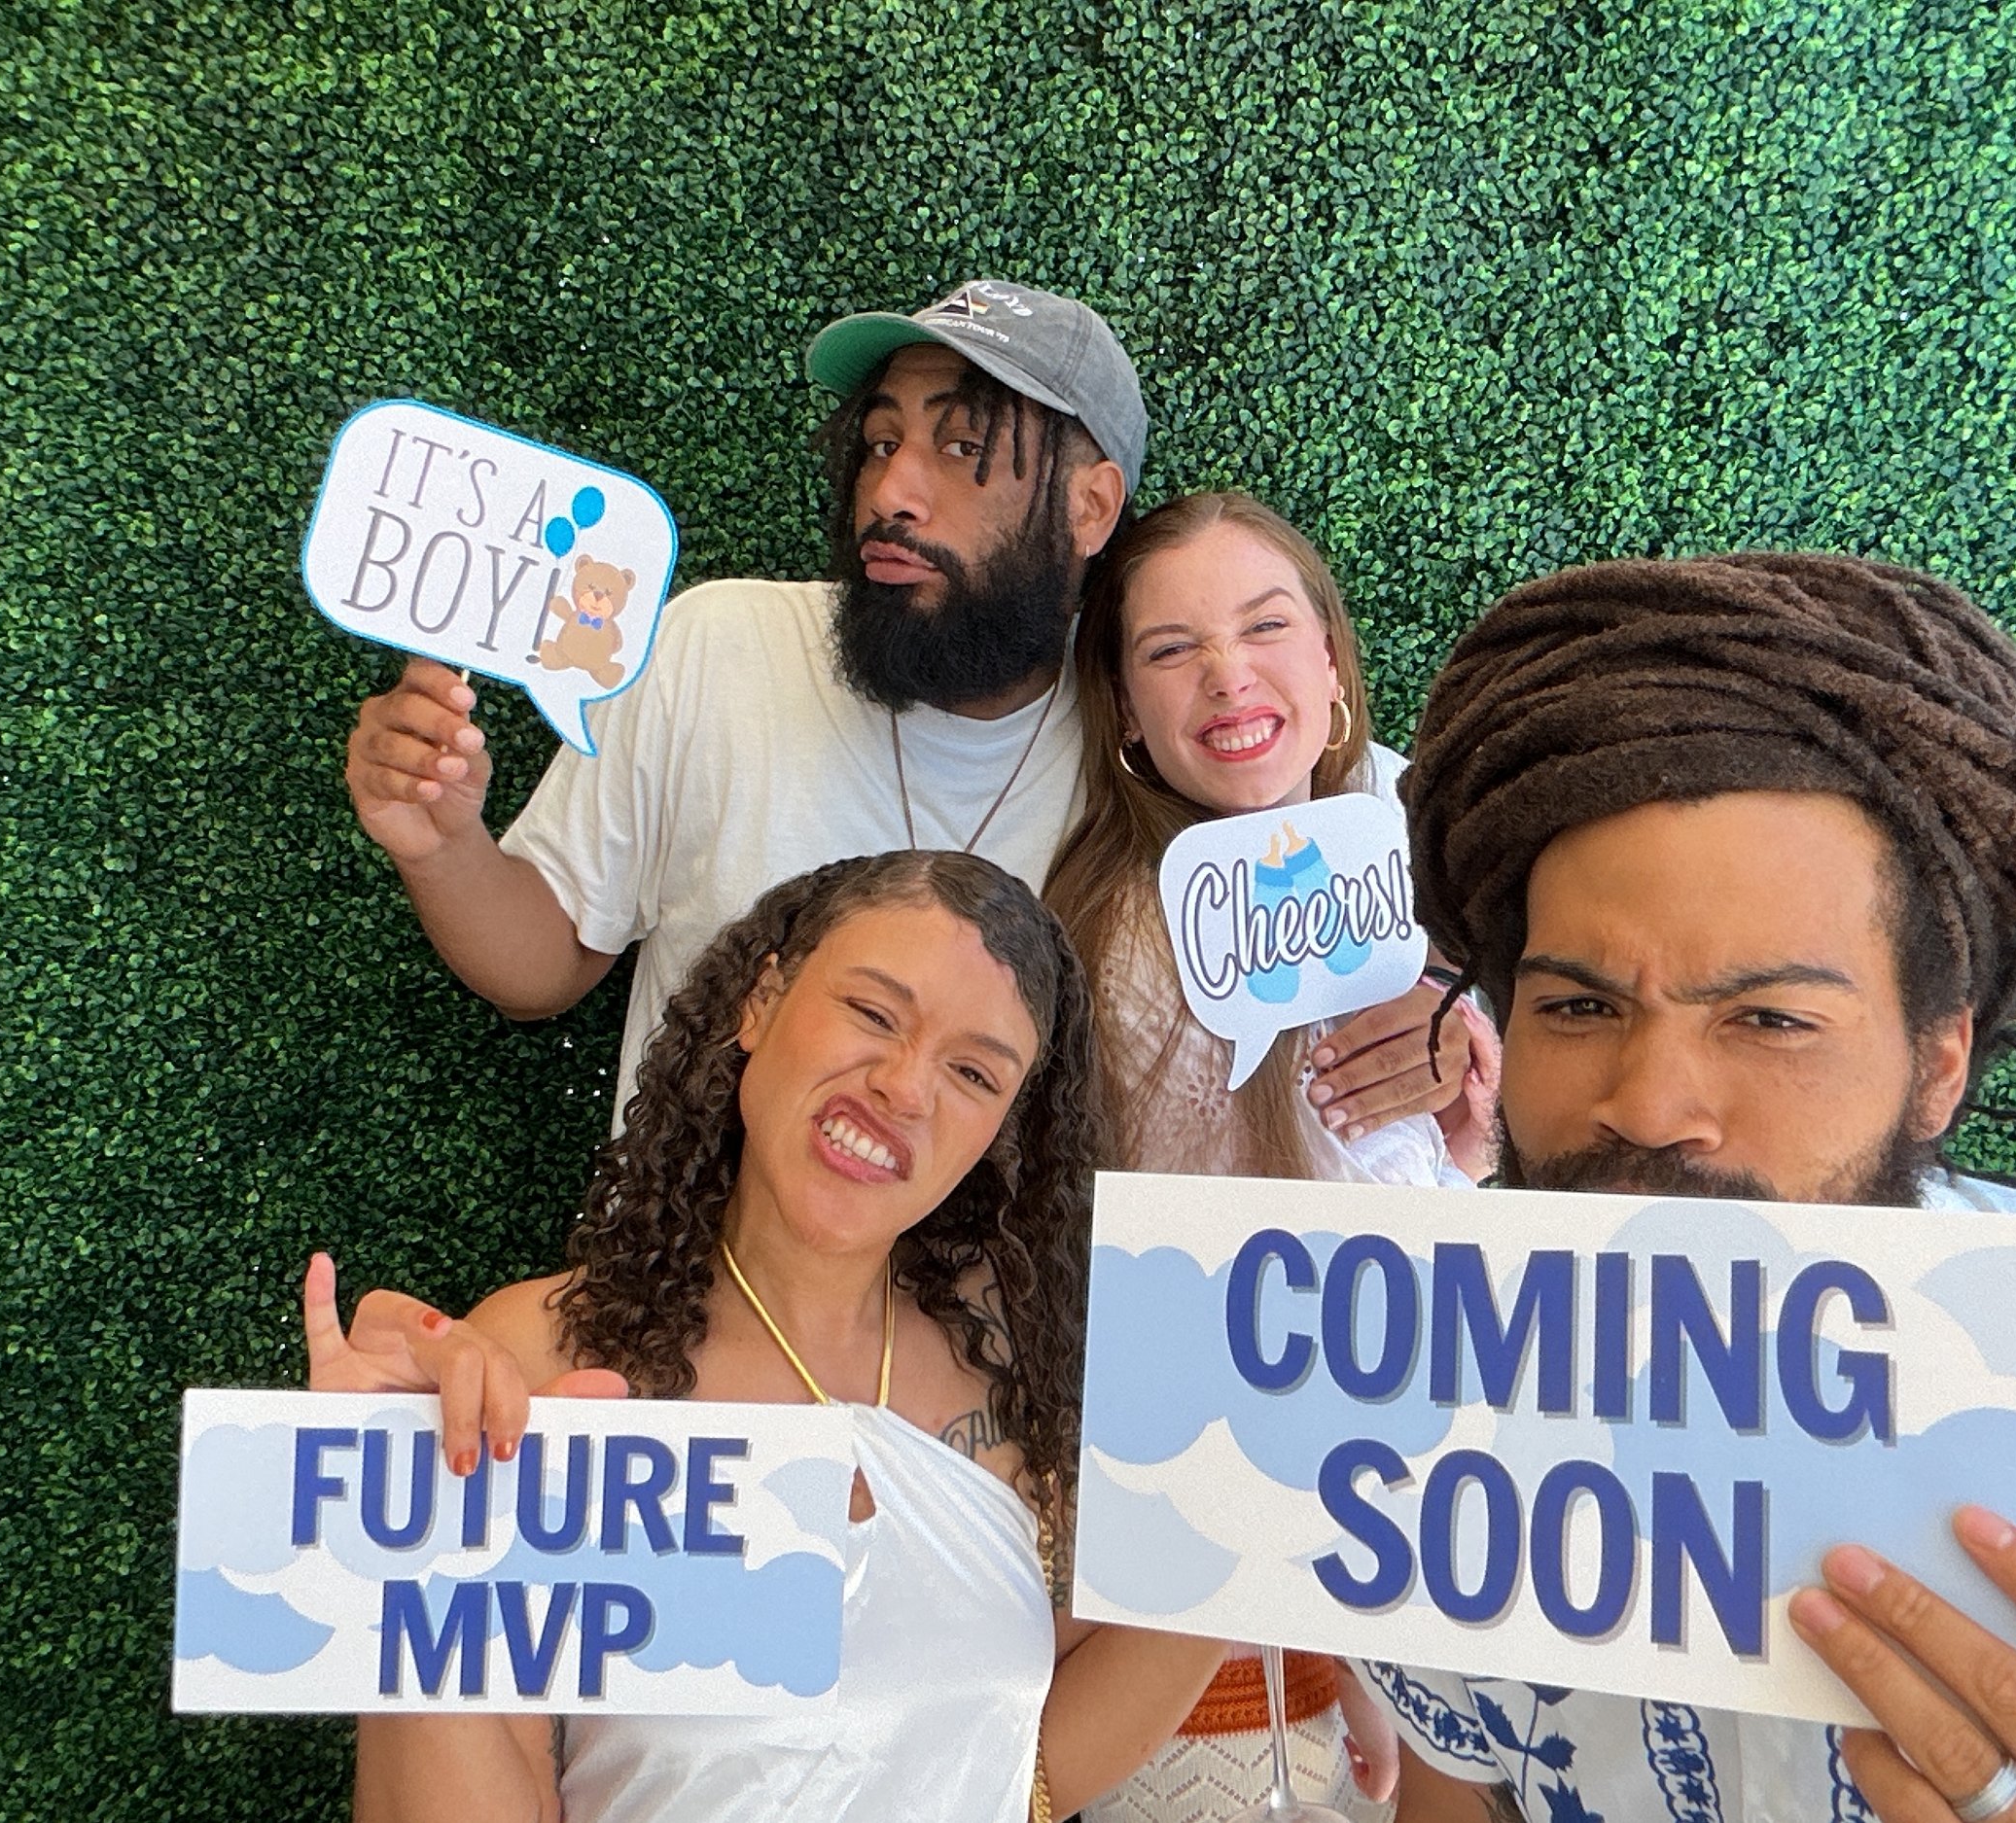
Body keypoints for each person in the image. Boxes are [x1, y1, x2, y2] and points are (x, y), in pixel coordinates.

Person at [1362, 551, 2016, 1823]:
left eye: (1768, 1016)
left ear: (1938, 1067)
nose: (1647, 1103)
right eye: (1579, 1003)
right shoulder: (1404, 1391)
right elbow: (1463, 1781)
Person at [340, 279, 1459, 1148]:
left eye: (961, 450)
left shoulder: (1168, 725)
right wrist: (443, 843)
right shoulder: (717, 645)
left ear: (1087, 506)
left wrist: (1451, 1012)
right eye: (880, 442)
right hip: (688, 1321)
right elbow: (540, 965)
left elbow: (1435, 880)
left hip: (1000, 1361)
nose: (889, 491)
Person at [304, 849, 1226, 1822]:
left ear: (1004, 1125)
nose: (905, 1088)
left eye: (971, 1071)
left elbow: (1016, 1771)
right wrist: (403, 1530)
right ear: (761, 1001)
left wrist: (1255, 1542)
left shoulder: (1013, 1361)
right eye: (872, 1014)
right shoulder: (542, 1357)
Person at [1043, 494, 1498, 1823]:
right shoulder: (1117, 937)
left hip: (1407, 1532)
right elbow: (1199, 1299)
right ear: (1125, 710)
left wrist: (1471, 1126)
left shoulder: (1413, 892)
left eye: (1266, 627)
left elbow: (1419, 1213)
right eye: (1172, 648)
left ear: (1336, 669)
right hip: (1220, 1573)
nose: (1229, 672)